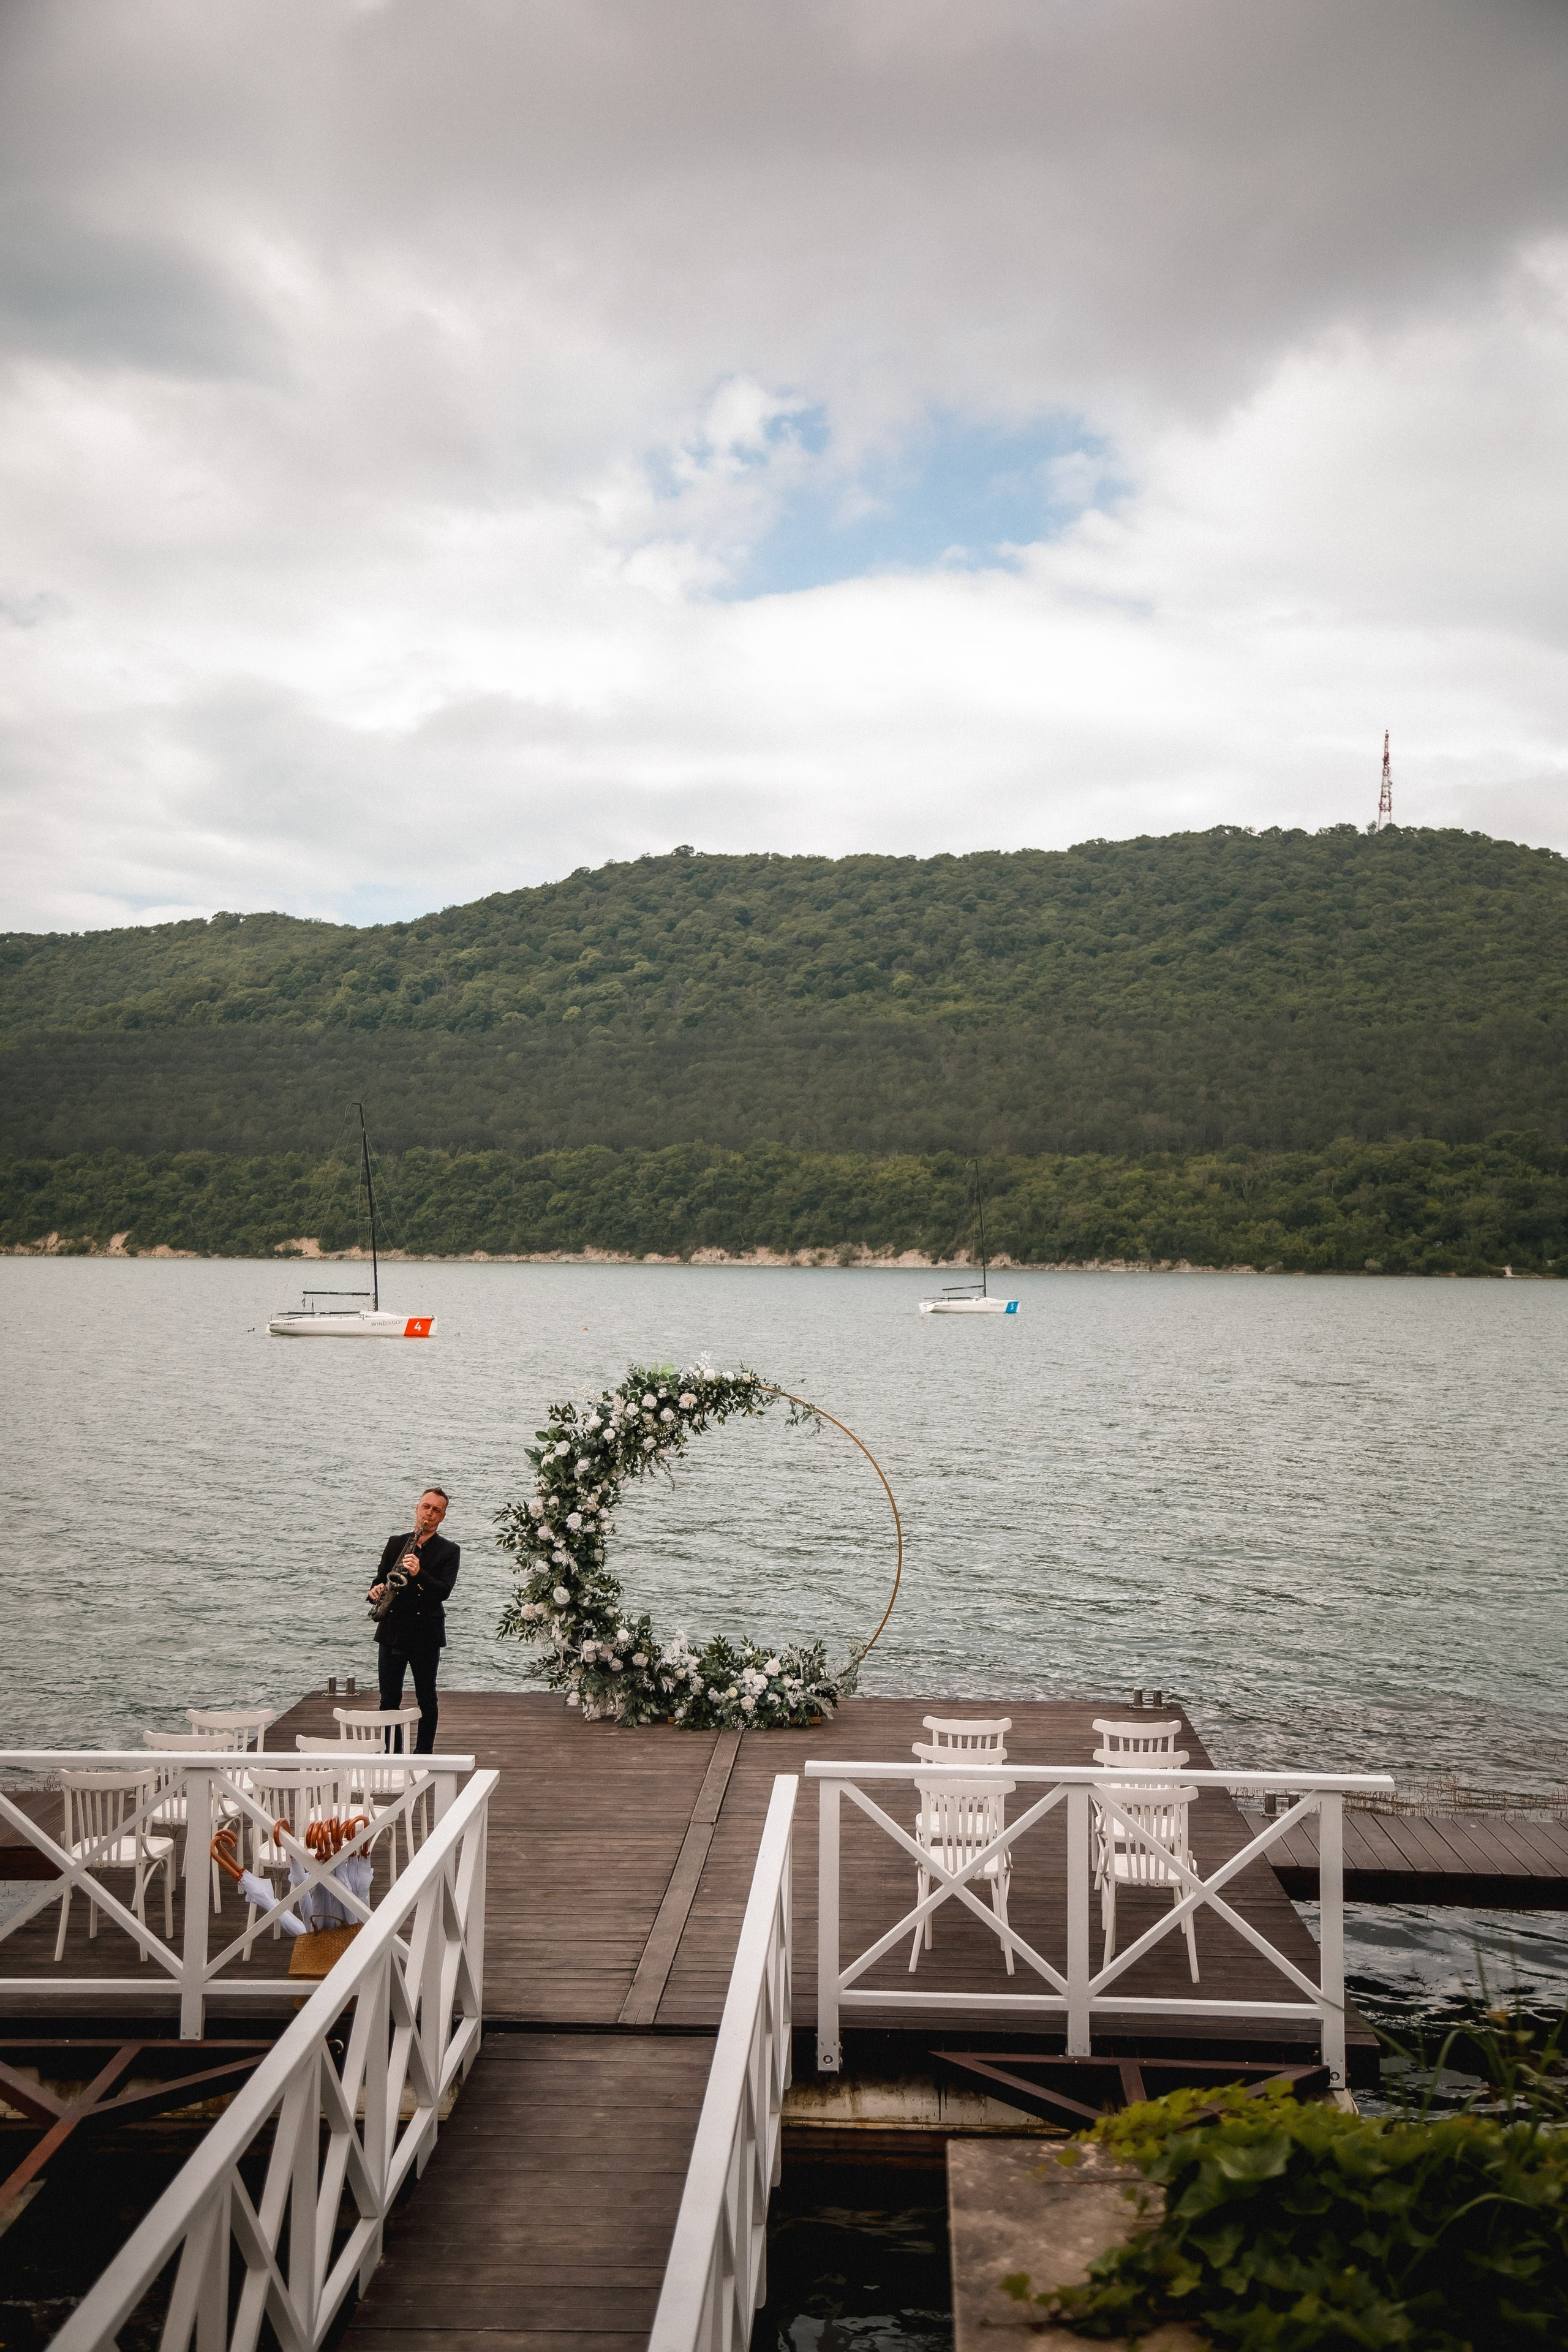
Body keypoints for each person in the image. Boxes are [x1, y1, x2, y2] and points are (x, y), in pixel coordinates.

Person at [366, 1487, 461, 1754]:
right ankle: (392, 1755)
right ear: (417, 1509)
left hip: (425, 1634)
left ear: (442, 1517)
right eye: (426, 1507)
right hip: (392, 1630)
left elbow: (444, 1592)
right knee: (389, 1698)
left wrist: (419, 1574)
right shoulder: (397, 1542)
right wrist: (374, 1592)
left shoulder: (449, 1551)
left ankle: (423, 1753)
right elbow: (380, 1579)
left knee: (426, 1698)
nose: (429, 1514)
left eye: (436, 1511)